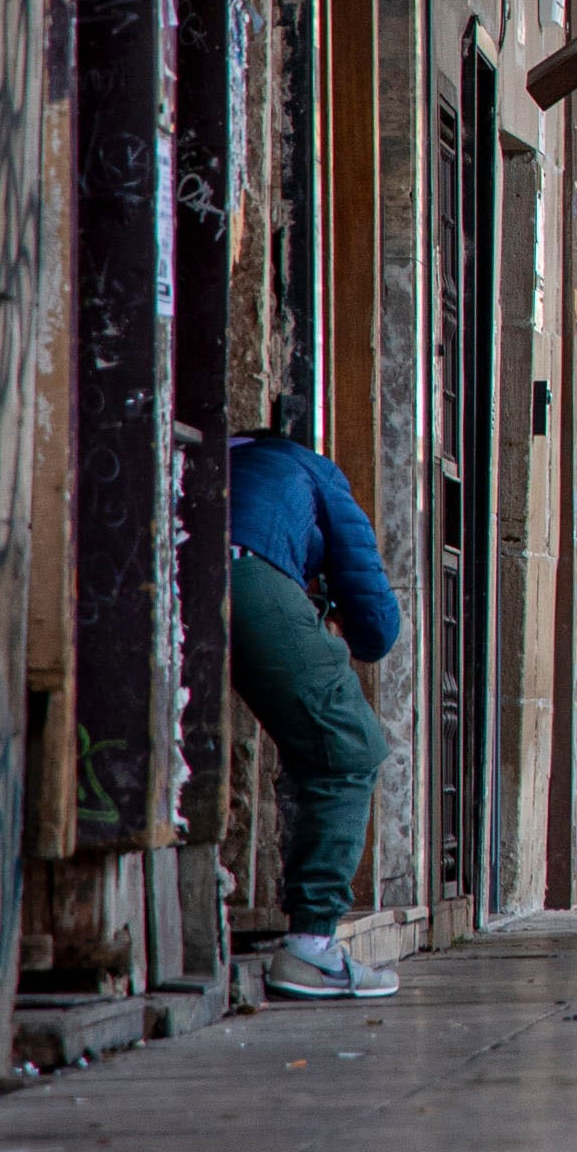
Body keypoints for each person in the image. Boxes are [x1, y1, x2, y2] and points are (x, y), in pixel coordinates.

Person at [226, 424, 405, 1000]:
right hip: (244, 569)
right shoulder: (311, 468)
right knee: (348, 744)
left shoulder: (204, 454)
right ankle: (312, 948)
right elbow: (375, 622)